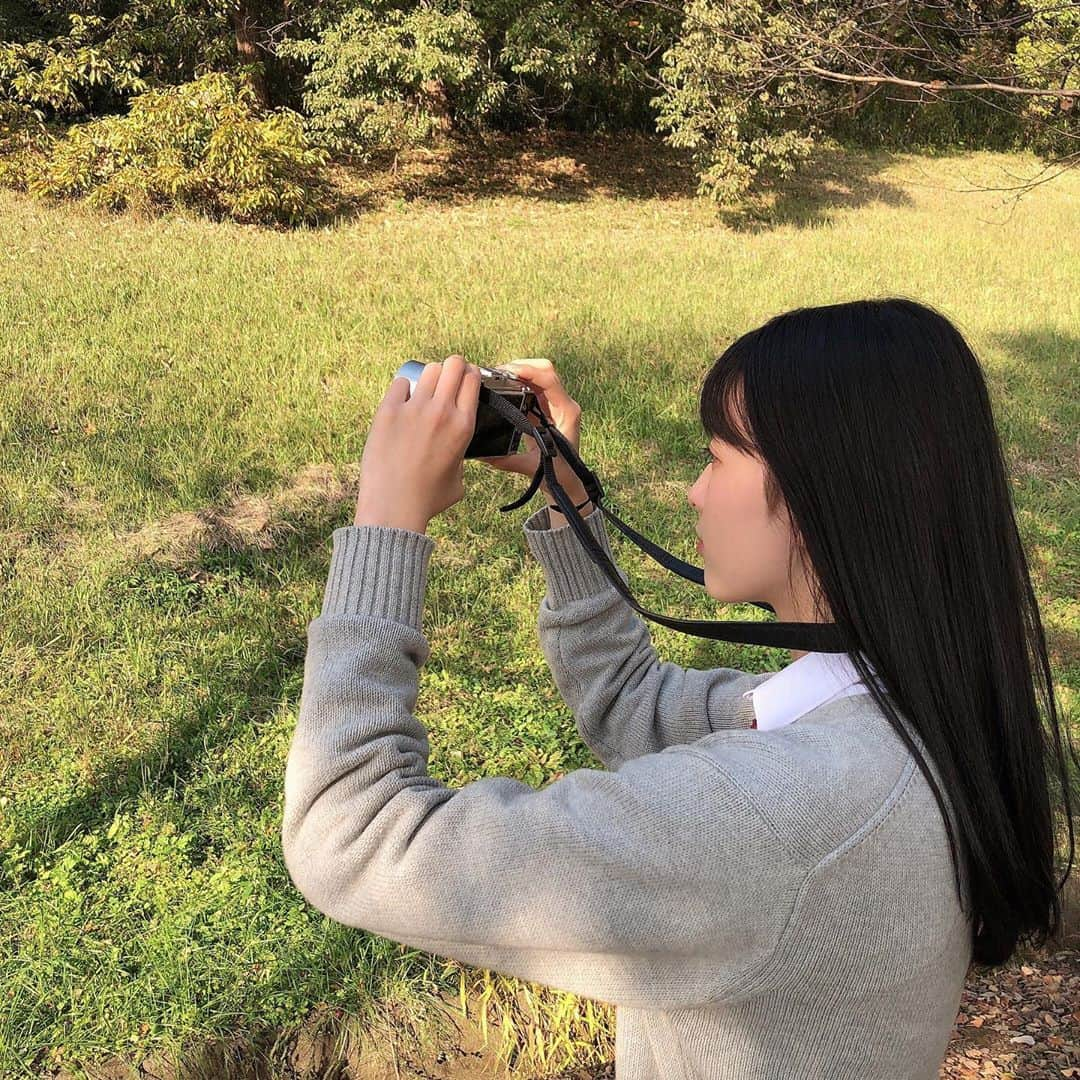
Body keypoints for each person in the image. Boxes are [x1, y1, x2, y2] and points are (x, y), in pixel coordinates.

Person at [280, 297, 1076, 1079]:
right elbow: (633, 703)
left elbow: (352, 836)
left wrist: (387, 521)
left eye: (717, 456)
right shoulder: (905, 707)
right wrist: (569, 500)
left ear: (819, 493)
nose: (694, 490)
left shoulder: (781, 816)